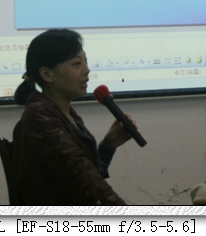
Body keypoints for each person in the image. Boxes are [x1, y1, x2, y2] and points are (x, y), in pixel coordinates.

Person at [12, 29, 135, 205]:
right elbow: (79, 173)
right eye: (76, 64)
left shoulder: (65, 114)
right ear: (47, 74)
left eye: (86, 61)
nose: (87, 70)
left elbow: (88, 177)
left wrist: (108, 145)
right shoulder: (39, 115)